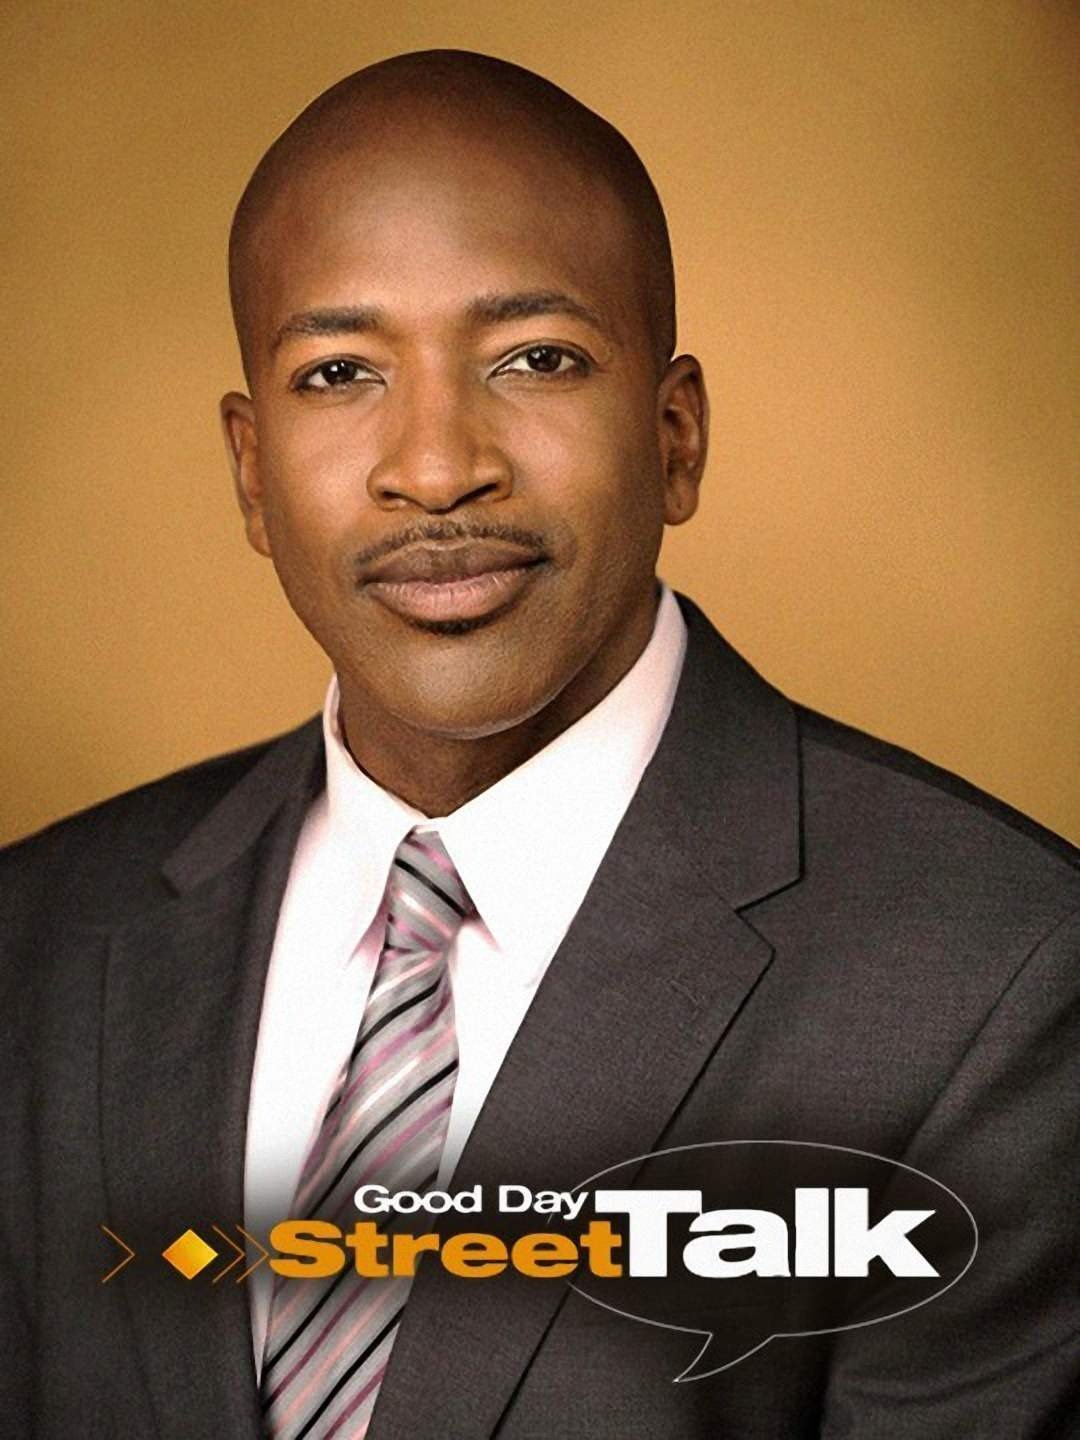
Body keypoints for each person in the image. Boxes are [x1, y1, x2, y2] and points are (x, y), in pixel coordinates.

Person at [1, 48, 1076, 1440]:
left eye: (537, 359)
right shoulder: (38, 942)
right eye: (340, 371)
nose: (437, 467)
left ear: (675, 437)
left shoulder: (999, 980)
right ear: (252, 473)